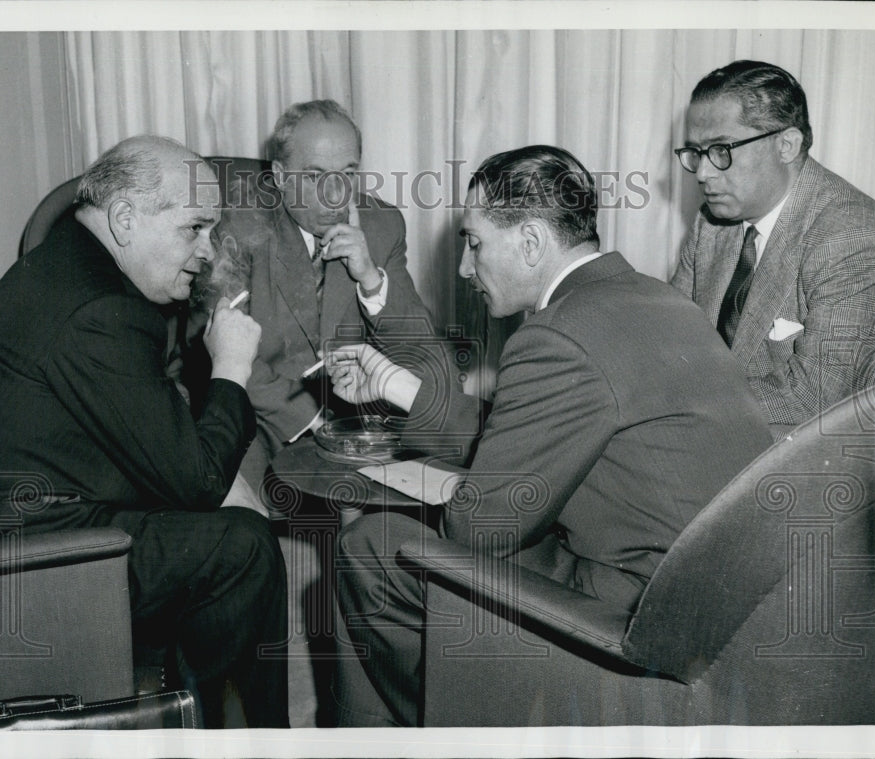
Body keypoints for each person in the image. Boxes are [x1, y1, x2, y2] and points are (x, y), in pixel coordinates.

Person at [325, 145, 773, 727]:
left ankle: (456, 733)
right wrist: (405, 390)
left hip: (643, 613)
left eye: (475, 243)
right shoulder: (652, 298)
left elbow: (479, 527)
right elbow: (541, 429)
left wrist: (458, 494)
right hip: (720, 599)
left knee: (372, 545)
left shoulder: (556, 336)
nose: (464, 267)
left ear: (532, 243)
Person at [0, 135, 288, 728]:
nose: (208, 251)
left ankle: (194, 714)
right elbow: (200, 480)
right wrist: (232, 367)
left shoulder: (65, 267)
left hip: (19, 522)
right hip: (41, 564)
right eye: (194, 228)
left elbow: (146, 423)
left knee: (231, 526)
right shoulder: (100, 307)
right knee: (244, 550)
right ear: (126, 218)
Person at [208, 99, 436, 488]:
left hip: (357, 416)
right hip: (261, 413)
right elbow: (225, 350)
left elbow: (419, 349)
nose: (335, 195)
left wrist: (371, 280)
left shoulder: (381, 224)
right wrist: (314, 423)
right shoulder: (236, 224)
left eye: (347, 173)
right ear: (280, 176)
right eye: (314, 176)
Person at [671, 60, 875, 431]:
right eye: (696, 153)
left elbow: (812, 397)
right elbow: (669, 339)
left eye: (721, 150)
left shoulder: (852, 233)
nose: (702, 173)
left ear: (786, 145)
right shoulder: (711, 222)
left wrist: (672, 406)